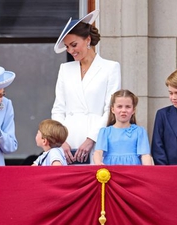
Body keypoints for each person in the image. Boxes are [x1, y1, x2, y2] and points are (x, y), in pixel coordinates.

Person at [52, 9, 121, 164]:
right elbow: (58, 109)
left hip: (97, 138)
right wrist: (60, 140)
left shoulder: (110, 67)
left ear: (88, 40)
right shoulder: (65, 69)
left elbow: (110, 108)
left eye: (74, 45)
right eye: (67, 46)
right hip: (67, 142)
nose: (70, 51)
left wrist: (91, 139)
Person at [93, 89, 152, 165]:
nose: (123, 110)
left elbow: (145, 155)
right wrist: (98, 163)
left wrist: (147, 171)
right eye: (119, 106)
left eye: (128, 107)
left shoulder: (140, 131)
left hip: (133, 171)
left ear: (133, 110)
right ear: (113, 109)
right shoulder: (105, 132)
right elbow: (98, 152)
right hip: (111, 171)